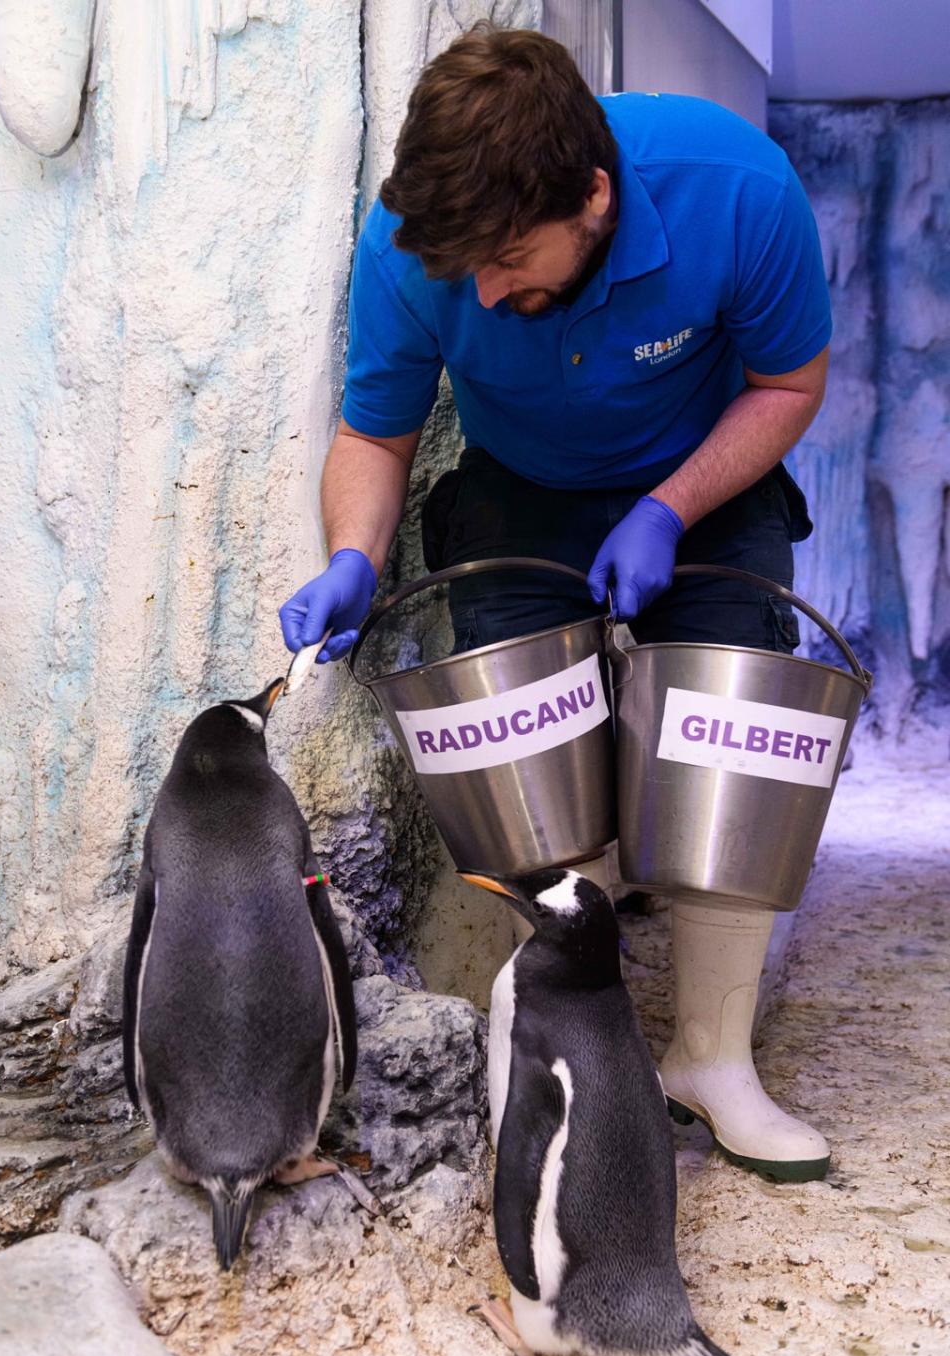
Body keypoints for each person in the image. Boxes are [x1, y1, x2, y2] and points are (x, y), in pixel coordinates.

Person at [277, 25, 832, 1182]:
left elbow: (789, 384)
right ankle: (586, 1061)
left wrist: (672, 509)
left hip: (704, 477)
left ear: (593, 194)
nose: (483, 290)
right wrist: (354, 557)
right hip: (520, 488)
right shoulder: (410, 249)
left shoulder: (736, 191)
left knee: (733, 746)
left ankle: (712, 1061)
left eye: (509, 256)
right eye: (461, 267)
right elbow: (375, 433)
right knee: (522, 762)